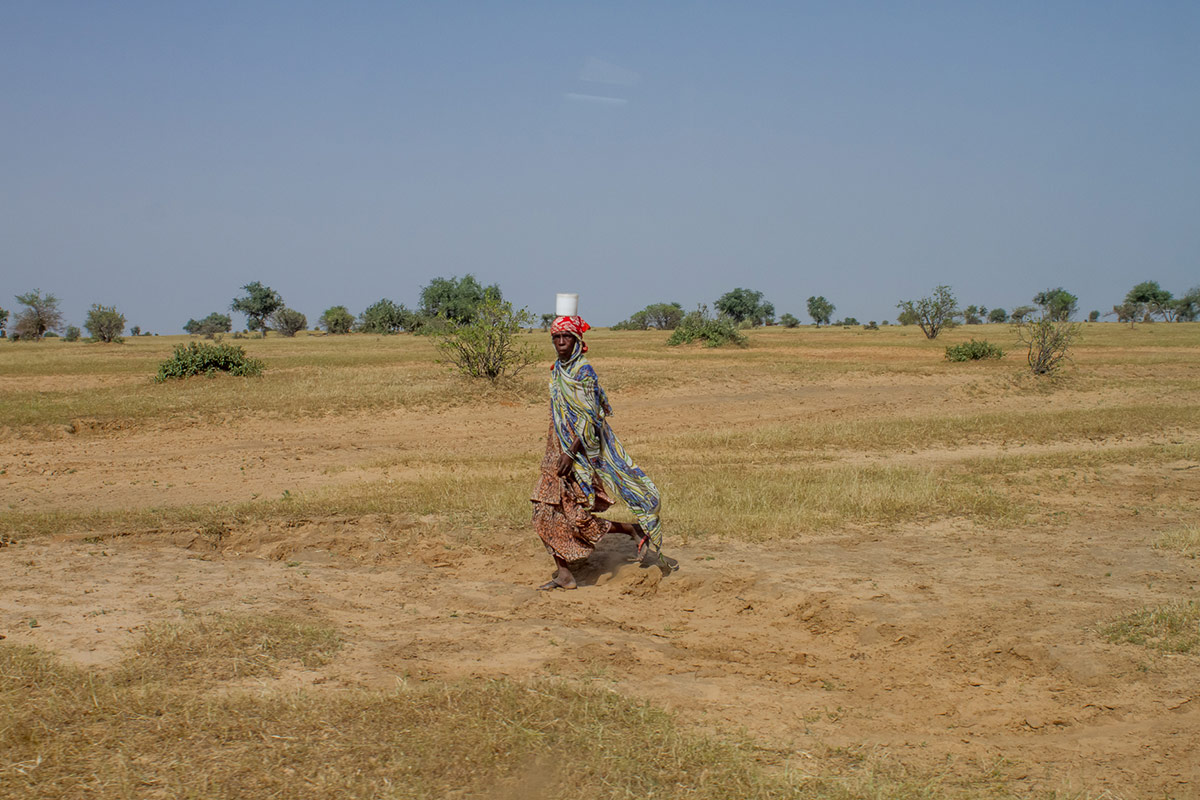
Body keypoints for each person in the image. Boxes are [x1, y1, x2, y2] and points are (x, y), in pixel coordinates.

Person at [531, 314, 662, 590]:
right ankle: (569, 569)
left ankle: (628, 530)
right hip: (555, 448)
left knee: (567, 512)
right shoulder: (556, 370)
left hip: (575, 452)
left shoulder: (584, 371)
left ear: (578, 340)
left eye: (567, 336)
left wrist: (571, 451)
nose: (561, 341)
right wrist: (558, 448)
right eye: (556, 337)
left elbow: (592, 417)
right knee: (547, 510)